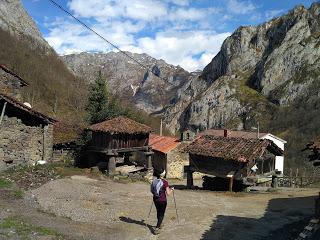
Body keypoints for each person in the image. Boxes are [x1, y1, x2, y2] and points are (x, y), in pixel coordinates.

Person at [151, 170, 174, 235]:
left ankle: (160, 224)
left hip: (155, 199)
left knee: (158, 212)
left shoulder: (154, 181)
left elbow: (152, 191)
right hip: (162, 200)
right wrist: (172, 189)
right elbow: (168, 193)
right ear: (163, 175)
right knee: (162, 214)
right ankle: (157, 228)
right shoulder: (165, 182)